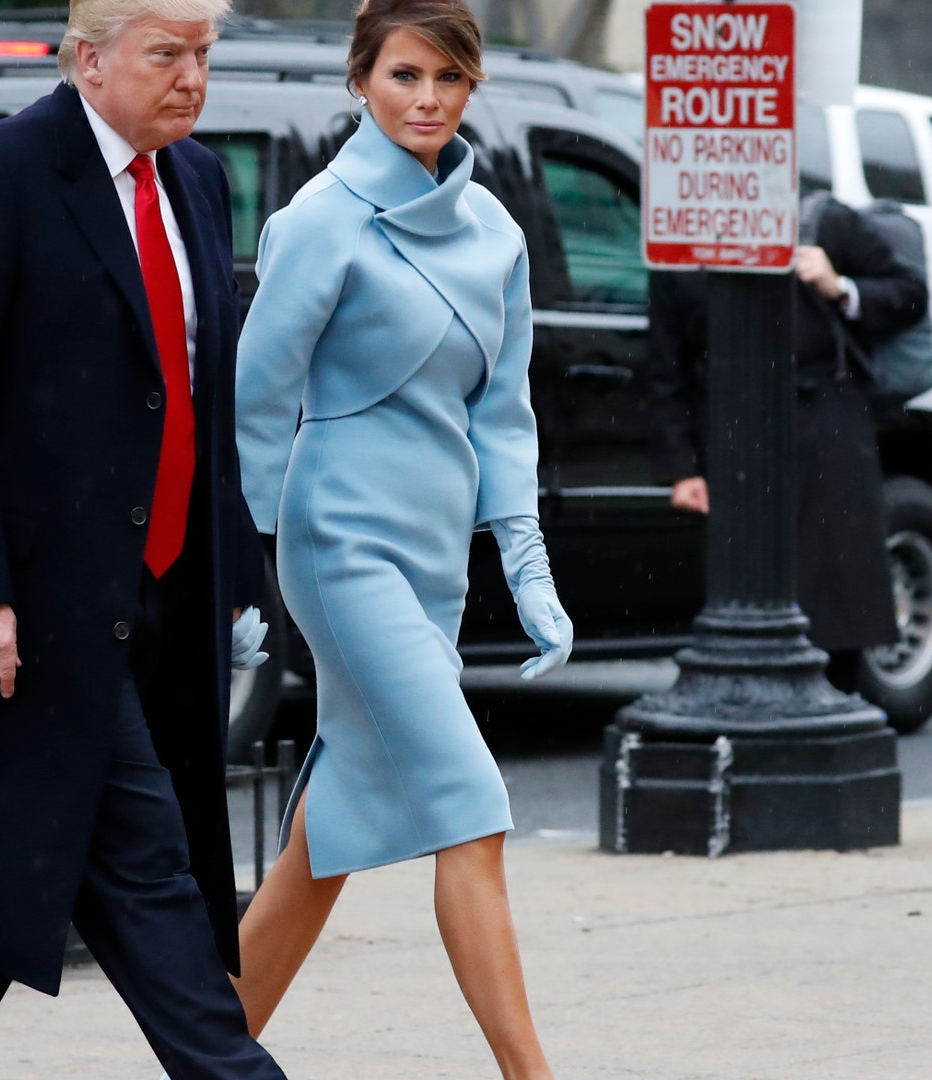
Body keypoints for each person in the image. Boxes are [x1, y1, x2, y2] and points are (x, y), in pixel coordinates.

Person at [0, 0, 285, 1076]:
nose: (193, 77)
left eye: (205, 54)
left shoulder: (198, 182)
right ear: (90, 61)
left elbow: (188, 393)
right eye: (167, 54)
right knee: (151, 884)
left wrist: (225, 564)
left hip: (155, 603)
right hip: (25, 623)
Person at [230, 2, 570, 1077]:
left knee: (320, 848)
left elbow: (504, 416)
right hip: (338, 545)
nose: (427, 100)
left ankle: (209, 1057)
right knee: (470, 808)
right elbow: (257, 397)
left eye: (449, 80)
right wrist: (247, 567)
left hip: (432, 561)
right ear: (361, 82)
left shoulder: (498, 236)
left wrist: (526, 562)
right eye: (405, 76)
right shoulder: (319, 221)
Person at [648, 193, 929, 663]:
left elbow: (910, 294)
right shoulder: (680, 240)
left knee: (837, 609)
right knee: (746, 607)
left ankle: (837, 710)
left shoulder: (820, 222)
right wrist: (683, 468)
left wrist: (842, 286)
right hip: (734, 438)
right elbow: (666, 369)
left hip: (826, 424)